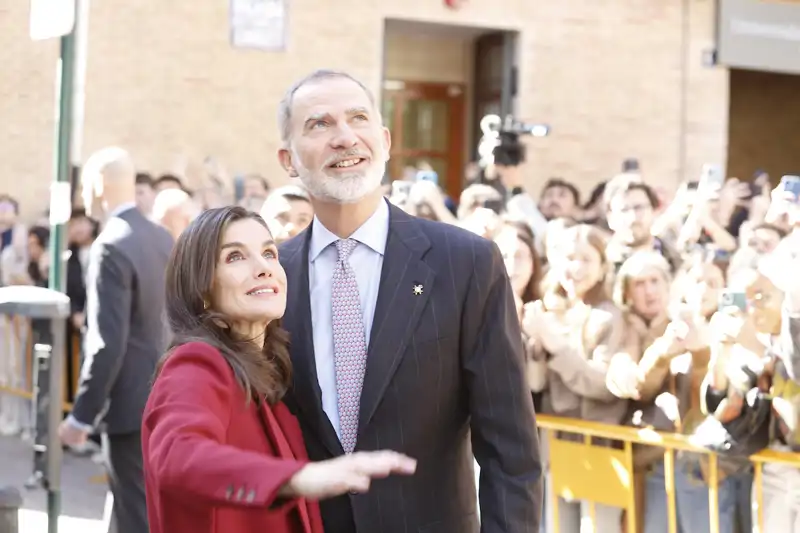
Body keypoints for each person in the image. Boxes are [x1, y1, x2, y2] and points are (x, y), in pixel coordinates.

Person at [276, 69, 543, 533]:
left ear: (384, 140)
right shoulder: (270, 278)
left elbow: (511, 453)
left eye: (358, 119)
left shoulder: (465, 264)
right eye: (319, 124)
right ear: (289, 159)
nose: (345, 138)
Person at [142, 206, 416, 533]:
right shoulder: (195, 364)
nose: (264, 268)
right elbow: (177, 454)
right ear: (201, 290)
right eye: (234, 257)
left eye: (269, 253)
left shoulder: (267, 375)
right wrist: (300, 478)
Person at [58, 147, 174, 533]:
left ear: (97, 185)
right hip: (164, 396)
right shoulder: (161, 237)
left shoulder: (110, 245)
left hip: (128, 405)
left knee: (134, 513)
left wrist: (81, 415)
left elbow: (107, 342)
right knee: (139, 506)